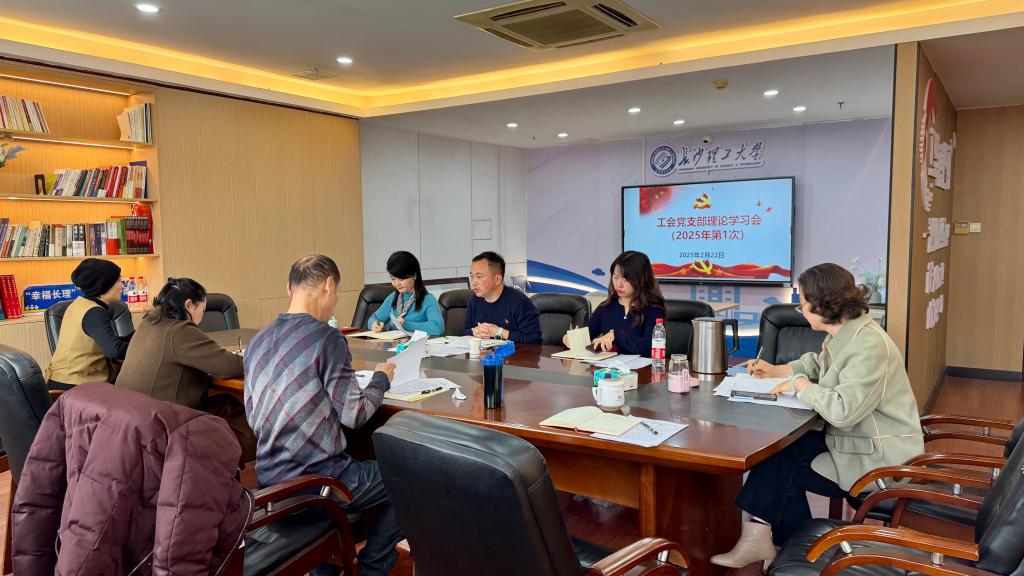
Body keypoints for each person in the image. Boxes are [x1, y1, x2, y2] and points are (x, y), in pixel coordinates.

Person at [710, 263, 923, 570]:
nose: (801, 309)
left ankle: (794, 552)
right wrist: (779, 370)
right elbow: (819, 364)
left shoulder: (868, 346)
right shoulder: (848, 332)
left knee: (780, 465)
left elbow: (843, 412)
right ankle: (777, 545)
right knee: (779, 456)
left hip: (877, 459)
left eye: (804, 302)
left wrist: (799, 385)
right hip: (852, 442)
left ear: (824, 304)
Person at [244, 255, 402, 576]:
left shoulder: (258, 341)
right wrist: (380, 379)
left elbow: (254, 417)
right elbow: (356, 414)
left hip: (271, 483)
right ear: (329, 285)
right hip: (320, 482)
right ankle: (372, 568)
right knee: (409, 480)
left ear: (289, 289)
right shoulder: (327, 338)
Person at [115, 277, 256, 462]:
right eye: (202, 310)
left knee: (222, 402)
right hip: (162, 422)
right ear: (189, 305)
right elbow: (229, 367)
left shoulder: (148, 324)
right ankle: (239, 463)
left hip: (133, 420)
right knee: (232, 407)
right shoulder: (180, 331)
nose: (202, 318)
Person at [45, 258, 132, 390]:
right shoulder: (94, 312)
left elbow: (104, 341)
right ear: (104, 285)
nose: (122, 286)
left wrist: (136, 338)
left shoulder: (79, 304)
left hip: (61, 380)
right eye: (118, 281)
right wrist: (143, 347)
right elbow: (114, 350)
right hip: (76, 386)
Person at [566, 251, 665, 356]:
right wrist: (572, 339)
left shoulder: (654, 309)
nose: (618, 284)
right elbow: (587, 336)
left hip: (644, 366)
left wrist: (616, 336)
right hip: (608, 366)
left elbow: (651, 347)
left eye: (625, 279)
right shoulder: (606, 307)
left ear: (641, 280)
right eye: (616, 277)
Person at [464, 251, 542, 344]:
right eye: (472, 276)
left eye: (479, 277)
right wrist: (475, 332)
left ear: (497, 279)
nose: (474, 282)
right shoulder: (473, 301)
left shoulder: (519, 302)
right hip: (483, 352)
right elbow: (466, 332)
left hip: (515, 353)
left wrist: (500, 332)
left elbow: (534, 339)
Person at [368, 251, 444, 336]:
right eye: (393, 279)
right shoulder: (392, 298)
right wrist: (374, 325)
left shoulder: (428, 300)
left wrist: (406, 324)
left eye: (401, 279)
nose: (397, 284)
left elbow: (438, 328)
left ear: (415, 275)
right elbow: (373, 319)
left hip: (417, 343)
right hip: (394, 343)